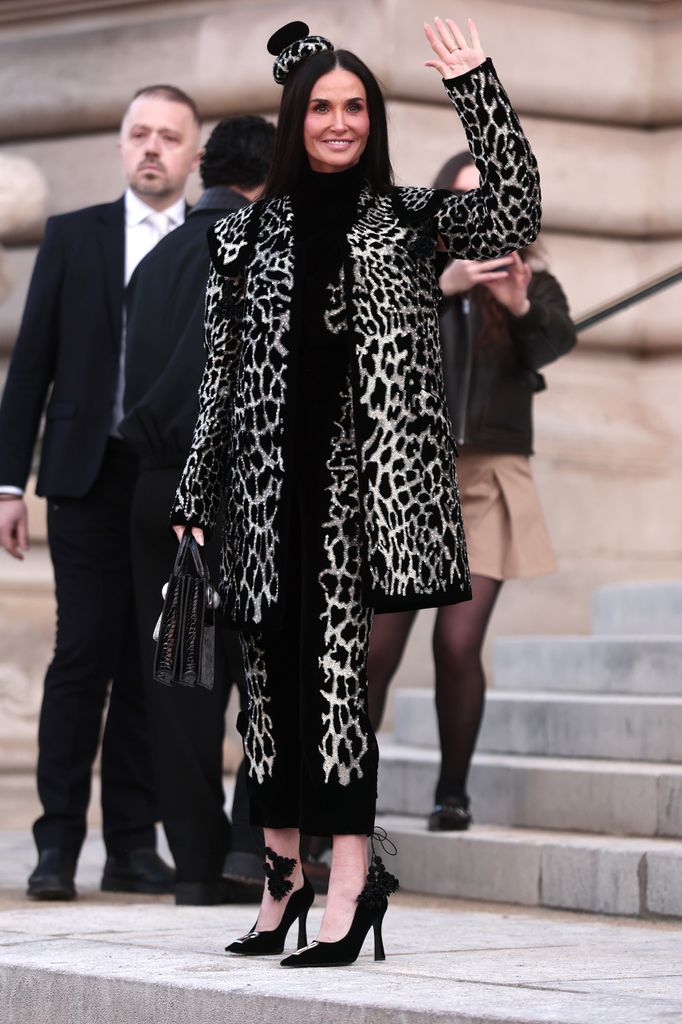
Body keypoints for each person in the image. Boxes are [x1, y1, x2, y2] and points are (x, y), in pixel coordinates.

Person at [170, 17, 540, 967]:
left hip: (358, 504)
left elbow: (513, 212)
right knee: (268, 701)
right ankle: (280, 877)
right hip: (259, 500)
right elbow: (218, 376)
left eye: (356, 108)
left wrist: (479, 89)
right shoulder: (240, 237)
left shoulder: (411, 216)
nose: (339, 122)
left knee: (335, 693)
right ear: (296, 120)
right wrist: (194, 493)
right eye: (323, 107)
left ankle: (348, 884)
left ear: (373, 122)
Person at [0, 84, 201, 900]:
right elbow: (29, 368)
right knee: (80, 656)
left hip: (173, 484)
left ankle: (131, 846)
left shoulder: (218, 240)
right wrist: (8, 482)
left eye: (169, 136)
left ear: (193, 153)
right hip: (84, 476)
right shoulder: (72, 236)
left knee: (152, 665)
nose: (151, 147)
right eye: (138, 134)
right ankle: (56, 847)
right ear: (122, 146)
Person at [367, 150, 576, 832]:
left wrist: (516, 306)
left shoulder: (535, 288)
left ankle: (451, 791)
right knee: (374, 647)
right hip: (412, 475)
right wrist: (440, 285)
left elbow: (554, 346)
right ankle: (342, 796)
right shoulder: (412, 276)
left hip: (490, 478)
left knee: (457, 643)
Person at [121, 115, 276, 905]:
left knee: (180, 680)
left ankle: (196, 868)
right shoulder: (266, 248)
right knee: (274, 669)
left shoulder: (154, 262)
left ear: (207, 169)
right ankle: (254, 845)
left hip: (154, 488)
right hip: (238, 490)